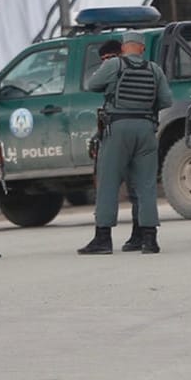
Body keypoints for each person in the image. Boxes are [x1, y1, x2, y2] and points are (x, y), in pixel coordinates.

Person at [79, 31, 173, 256]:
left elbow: (93, 84)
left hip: (118, 128)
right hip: (146, 130)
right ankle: (149, 239)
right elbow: (167, 101)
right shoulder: (154, 69)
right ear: (141, 48)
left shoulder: (115, 65)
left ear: (124, 48)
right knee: (146, 185)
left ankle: (103, 239)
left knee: (109, 182)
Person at [93, 39, 146, 253]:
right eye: (103, 60)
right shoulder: (141, 72)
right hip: (129, 134)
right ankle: (140, 235)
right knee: (136, 188)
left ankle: (106, 238)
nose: (106, 63)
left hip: (120, 136)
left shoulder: (120, 73)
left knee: (115, 187)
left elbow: (91, 84)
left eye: (110, 59)